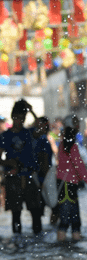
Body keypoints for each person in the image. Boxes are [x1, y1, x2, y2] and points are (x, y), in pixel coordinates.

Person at [0, 99, 45, 241]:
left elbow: (42, 128)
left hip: (30, 176)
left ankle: (37, 242)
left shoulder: (29, 133)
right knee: (16, 213)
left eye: (23, 118)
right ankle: (18, 243)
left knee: (36, 212)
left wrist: (31, 110)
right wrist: (8, 162)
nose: (20, 121)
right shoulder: (5, 136)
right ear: (13, 117)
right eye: (18, 118)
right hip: (13, 178)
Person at [55, 115, 87, 242]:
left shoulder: (62, 145)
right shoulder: (72, 147)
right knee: (69, 219)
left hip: (64, 184)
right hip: (67, 186)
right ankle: (71, 248)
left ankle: (66, 247)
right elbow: (81, 169)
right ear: (76, 128)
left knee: (71, 219)